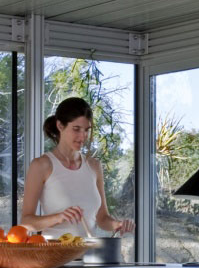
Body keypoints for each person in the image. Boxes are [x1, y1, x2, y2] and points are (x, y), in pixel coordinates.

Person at [20, 96, 135, 236]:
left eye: (86, 129)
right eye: (76, 129)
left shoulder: (94, 166)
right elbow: (26, 222)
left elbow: (102, 218)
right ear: (60, 126)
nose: (83, 136)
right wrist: (58, 217)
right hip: (56, 255)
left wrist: (118, 224)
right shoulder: (42, 165)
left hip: (91, 256)